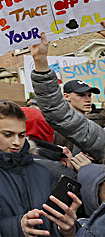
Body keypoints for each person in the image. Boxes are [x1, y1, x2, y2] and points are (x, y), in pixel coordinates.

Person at [0, 100, 81, 237]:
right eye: (8, 135)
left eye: (21, 135)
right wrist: (17, 227)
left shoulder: (43, 172)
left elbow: (53, 225)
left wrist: (68, 229)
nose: (16, 142)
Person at [30, 26, 105, 161]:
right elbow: (57, 113)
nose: (88, 99)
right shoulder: (98, 137)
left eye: (89, 95)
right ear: (67, 96)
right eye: (81, 95)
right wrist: (40, 62)